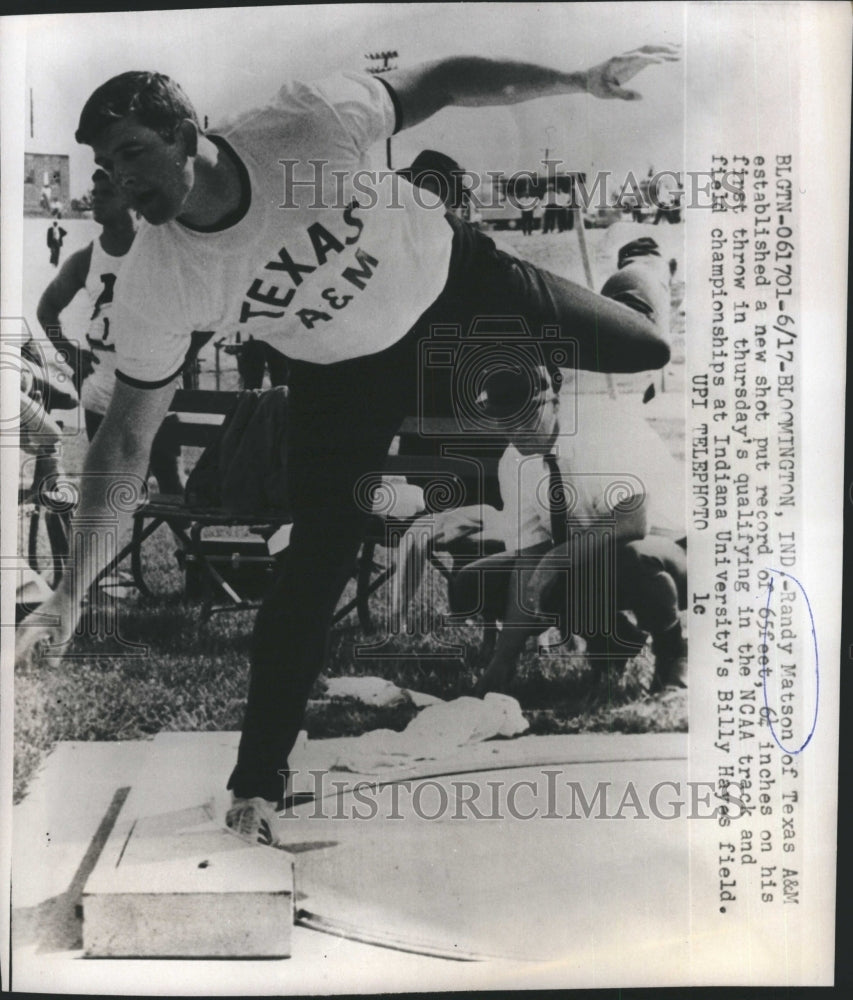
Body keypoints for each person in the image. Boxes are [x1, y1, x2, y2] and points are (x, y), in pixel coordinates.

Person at [17, 44, 680, 846]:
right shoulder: (164, 278)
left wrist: (573, 77)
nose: (121, 179)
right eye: (105, 164)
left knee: (644, 350)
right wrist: (71, 593)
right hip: (341, 377)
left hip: (455, 286)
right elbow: (124, 439)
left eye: (133, 153)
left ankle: (618, 284)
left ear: (189, 131)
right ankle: (256, 784)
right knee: (313, 567)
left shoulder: (301, 121)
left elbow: (440, 81)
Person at [434, 238, 687, 696]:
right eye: (502, 420)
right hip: (587, 551)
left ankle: (674, 655)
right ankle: (608, 636)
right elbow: (531, 558)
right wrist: (500, 668)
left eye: (525, 414)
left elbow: (633, 522)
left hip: (664, 545)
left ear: (551, 397)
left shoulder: (596, 427)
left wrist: (555, 559)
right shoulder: (516, 461)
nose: (515, 431)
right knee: (474, 582)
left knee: (625, 561)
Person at [36, 169, 185, 493]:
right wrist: (69, 352)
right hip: (102, 393)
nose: (96, 199)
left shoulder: (161, 249)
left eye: (106, 192)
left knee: (172, 485)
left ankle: (186, 545)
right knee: (111, 493)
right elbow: (46, 308)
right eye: (96, 191)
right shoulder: (86, 258)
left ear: (130, 197)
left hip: (155, 392)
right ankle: (123, 547)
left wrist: (183, 356)